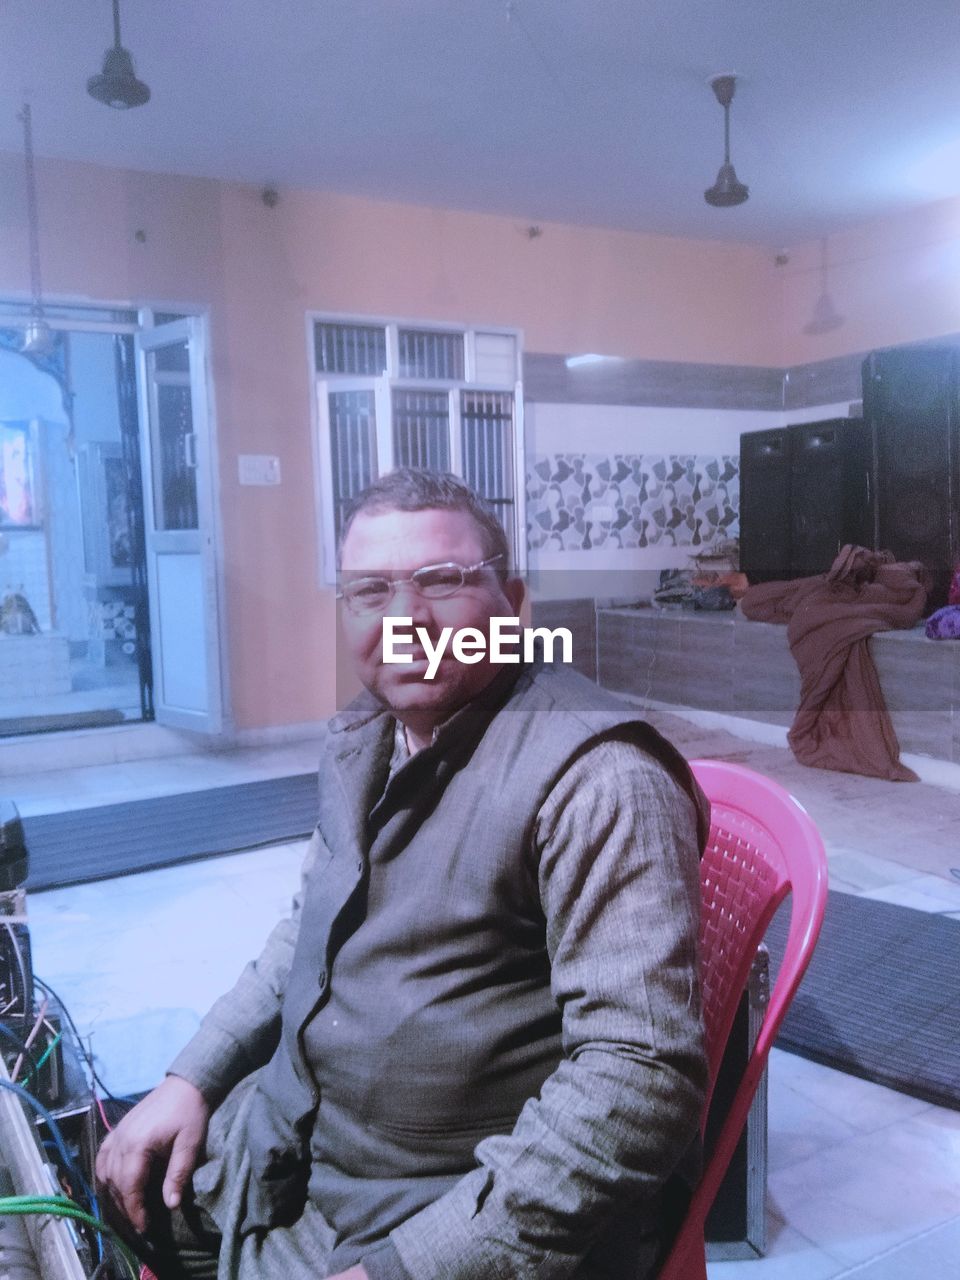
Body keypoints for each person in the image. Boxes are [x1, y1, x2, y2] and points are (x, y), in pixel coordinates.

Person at [96, 469, 708, 1280]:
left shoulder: (599, 780)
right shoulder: (369, 738)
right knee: (104, 1179)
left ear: (512, 601)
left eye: (444, 582)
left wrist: (410, 1269)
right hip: (295, 1149)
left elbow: (639, 1079)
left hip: (420, 1216)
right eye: (370, 590)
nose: (405, 619)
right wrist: (193, 1077)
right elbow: (306, 936)